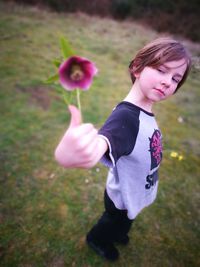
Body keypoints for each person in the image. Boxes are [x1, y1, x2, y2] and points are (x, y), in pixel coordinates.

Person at [54, 37, 191, 261]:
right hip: (121, 196)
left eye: (175, 78)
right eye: (161, 70)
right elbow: (103, 143)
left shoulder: (143, 111)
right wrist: (73, 154)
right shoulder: (127, 118)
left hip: (135, 191)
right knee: (113, 219)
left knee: (126, 221)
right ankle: (97, 239)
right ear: (137, 67)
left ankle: (119, 232)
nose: (168, 81)